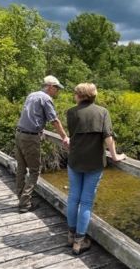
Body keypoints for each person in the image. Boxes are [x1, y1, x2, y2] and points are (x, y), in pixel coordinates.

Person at [66, 82, 126, 255]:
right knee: (85, 202)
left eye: (75, 93)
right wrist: (115, 156)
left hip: (75, 160)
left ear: (80, 95)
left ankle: (71, 235)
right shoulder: (102, 112)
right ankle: (79, 241)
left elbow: (75, 135)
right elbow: (108, 137)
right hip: (94, 163)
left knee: (73, 198)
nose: (74, 96)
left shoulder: (71, 112)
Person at [15, 75, 70, 213]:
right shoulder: (46, 99)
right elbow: (54, 120)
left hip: (19, 133)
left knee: (21, 168)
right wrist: (64, 137)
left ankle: (21, 196)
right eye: (56, 88)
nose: (57, 91)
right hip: (30, 137)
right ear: (50, 86)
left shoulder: (31, 95)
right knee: (34, 170)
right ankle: (25, 203)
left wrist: (40, 128)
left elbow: (31, 116)